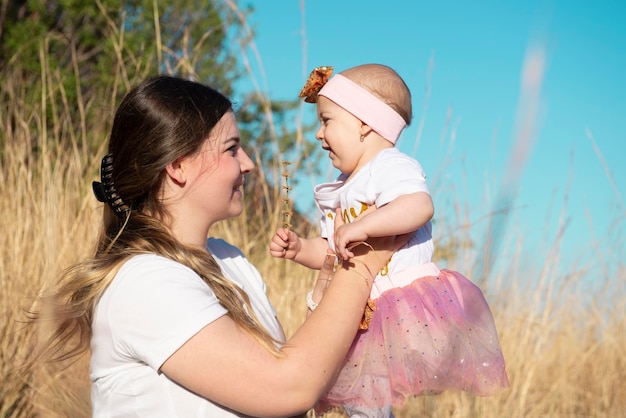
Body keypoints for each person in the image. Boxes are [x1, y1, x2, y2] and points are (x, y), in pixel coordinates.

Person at [32, 75, 408, 417]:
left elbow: (293, 376)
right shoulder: (142, 282)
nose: (248, 165)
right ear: (178, 166)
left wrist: (328, 283)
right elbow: (285, 388)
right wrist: (364, 263)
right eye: (231, 149)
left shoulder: (230, 260)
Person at [270, 64, 509, 417]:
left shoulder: (390, 166)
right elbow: (333, 250)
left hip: (397, 307)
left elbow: (418, 205)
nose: (319, 135)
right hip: (354, 309)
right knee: (357, 400)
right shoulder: (340, 188)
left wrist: (365, 226)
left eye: (326, 120)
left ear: (364, 123)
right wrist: (301, 249)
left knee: (367, 398)